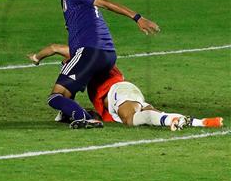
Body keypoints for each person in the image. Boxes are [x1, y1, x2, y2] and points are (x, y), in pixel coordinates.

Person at [39, 0, 160, 129]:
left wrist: (137, 18)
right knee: (67, 65)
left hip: (90, 52)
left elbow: (105, 3)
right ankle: (70, 112)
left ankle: (85, 117)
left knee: (55, 97)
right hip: (107, 56)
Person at [28, 43, 224, 130]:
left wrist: (36, 57)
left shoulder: (84, 53)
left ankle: (193, 122)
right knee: (150, 116)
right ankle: (201, 122)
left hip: (118, 91)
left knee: (136, 118)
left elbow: (54, 47)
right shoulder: (84, 62)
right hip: (119, 95)